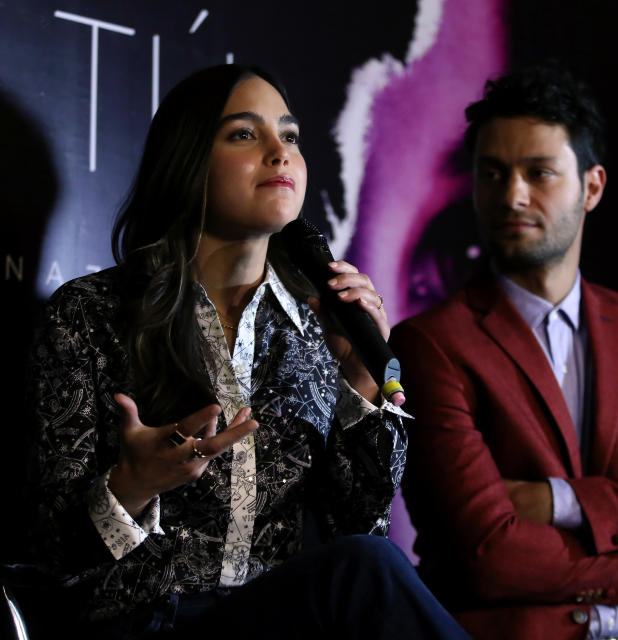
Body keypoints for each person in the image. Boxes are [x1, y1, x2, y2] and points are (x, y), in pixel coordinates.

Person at [27, 64, 469, 639]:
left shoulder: (311, 335)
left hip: (272, 619)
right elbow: (49, 550)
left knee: (368, 563)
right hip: (139, 622)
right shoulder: (92, 312)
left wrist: (359, 379)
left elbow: (361, 524)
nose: (279, 153)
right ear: (187, 160)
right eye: (243, 134)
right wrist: (134, 484)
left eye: (289, 136)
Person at [388, 65, 618, 640]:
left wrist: (558, 502)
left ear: (593, 186)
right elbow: (492, 557)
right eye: (493, 173)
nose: (513, 196)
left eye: (539, 173)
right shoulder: (429, 344)